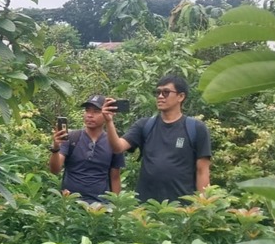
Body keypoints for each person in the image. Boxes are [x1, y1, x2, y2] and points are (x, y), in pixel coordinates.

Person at [103, 75, 212, 203]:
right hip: (146, 207)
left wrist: (202, 206)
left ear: (181, 96)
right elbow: (118, 147)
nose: (160, 96)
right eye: (158, 92)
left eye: (166, 92)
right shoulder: (144, 125)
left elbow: (202, 171)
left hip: (182, 208)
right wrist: (109, 122)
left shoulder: (196, 128)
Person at [49, 95, 124, 204]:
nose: (89, 115)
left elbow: (115, 178)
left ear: (107, 114)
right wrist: (56, 147)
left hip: (100, 206)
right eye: (87, 110)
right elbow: (54, 170)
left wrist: (116, 206)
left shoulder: (114, 143)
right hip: (71, 205)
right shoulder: (71, 137)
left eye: (96, 111)